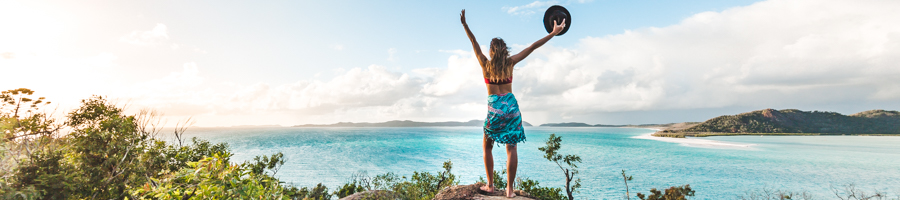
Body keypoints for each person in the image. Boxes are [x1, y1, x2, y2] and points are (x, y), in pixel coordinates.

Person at [460, 9, 565, 198]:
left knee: (487, 145)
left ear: (491, 51)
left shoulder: (485, 64)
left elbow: (474, 43)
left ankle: (490, 185)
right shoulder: (511, 62)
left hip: (495, 110)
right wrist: (552, 33)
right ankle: (509, 190)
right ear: (504, 49)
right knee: (512, 148)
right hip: (512, 108)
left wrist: (465, 25)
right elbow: (532, 47)